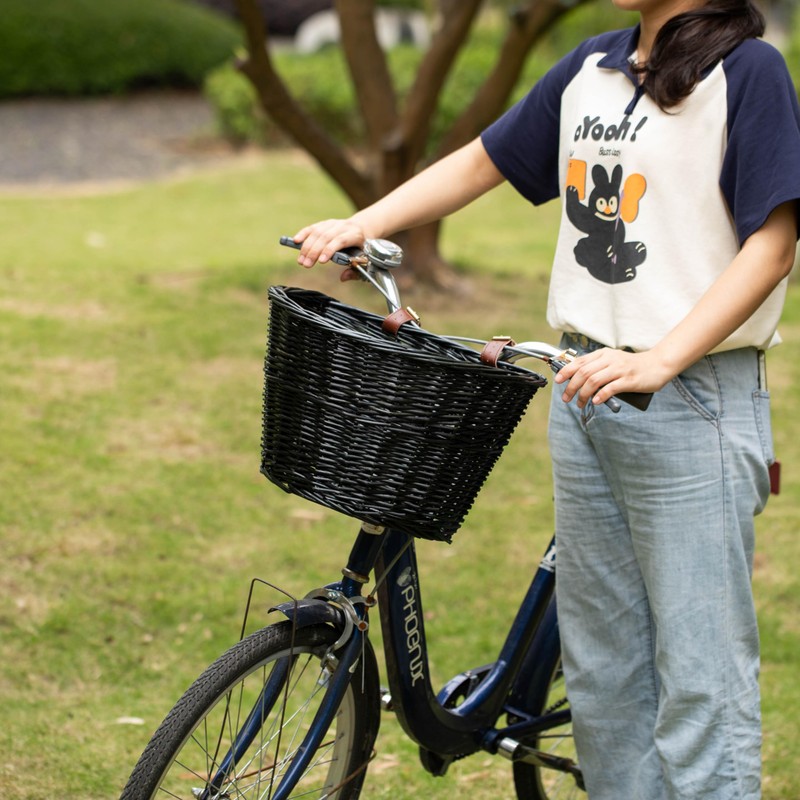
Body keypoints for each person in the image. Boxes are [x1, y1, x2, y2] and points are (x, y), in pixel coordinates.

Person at [291, 0, 800, 796]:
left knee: (702, 684)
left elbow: (772, 246)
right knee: (603, 680)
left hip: (691, 399)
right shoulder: (594, 66)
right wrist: (364, 221)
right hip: (584, 390)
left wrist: (662, 358)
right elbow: (482, 160)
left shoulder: (748, 72)